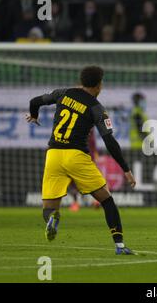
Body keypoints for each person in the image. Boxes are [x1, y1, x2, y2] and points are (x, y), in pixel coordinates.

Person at [25, 66, 136, 255]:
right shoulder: (97, 108)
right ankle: (119, 246)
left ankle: (53, 218)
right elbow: (109, 140)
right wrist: (125, 169)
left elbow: (34, 101)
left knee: (49, 208)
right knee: (107, 200)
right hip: (76, 156)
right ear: (99, 85)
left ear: (82, 80)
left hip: (53, 155)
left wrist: (34, 116)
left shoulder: (64, 93)